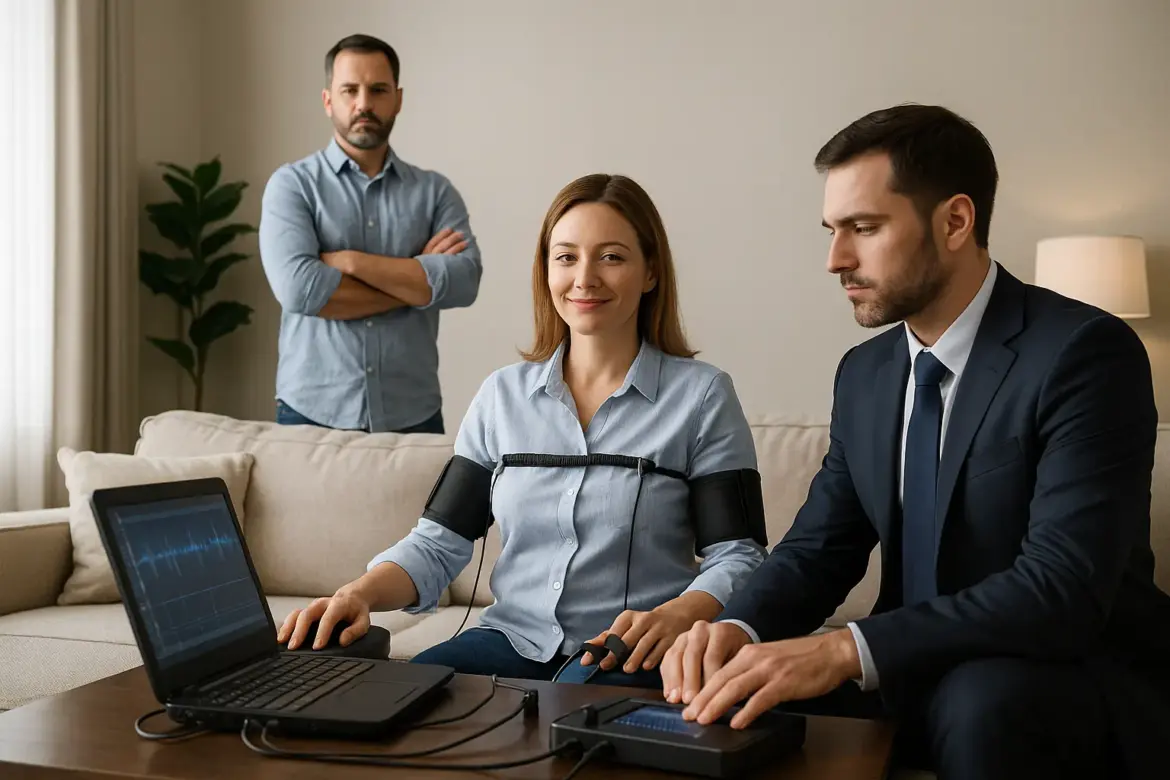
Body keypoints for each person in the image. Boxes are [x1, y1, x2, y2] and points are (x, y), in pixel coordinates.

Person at [660, 104, 1170, 779]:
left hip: (1062, 674)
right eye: (832, 230)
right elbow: (820, 549)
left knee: (980, 703)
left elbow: (1061, 589)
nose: (834, 259)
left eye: (863, 229)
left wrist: (844, 650)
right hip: (906, 662)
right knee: (715, 697)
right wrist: (737, 630)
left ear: (956, 221)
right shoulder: (866, 374)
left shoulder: (1084, 354)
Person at [278, 173, 768, 688]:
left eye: (612, 257)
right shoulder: (500, 397)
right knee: (395, 697)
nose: (585, 278)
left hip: (630, 656)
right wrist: (358, 594)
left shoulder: (703, 395)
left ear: (650, 272)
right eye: (566, 257)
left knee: (573, 727)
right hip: (510, 640)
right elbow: (439, 543)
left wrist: (678, 615)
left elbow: (739, 555)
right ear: (546, 270)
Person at [258, 34, 482, 434]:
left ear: (397, 98)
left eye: (378, 90)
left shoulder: (435, 192)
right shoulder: (291, 186)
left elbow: (464, 282)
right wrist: (416, 282)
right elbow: (299, 291)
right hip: (311, 413)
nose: (364, 104)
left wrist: (351, 263)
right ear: (328, 100)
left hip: (413, 414)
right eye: (350, 90)